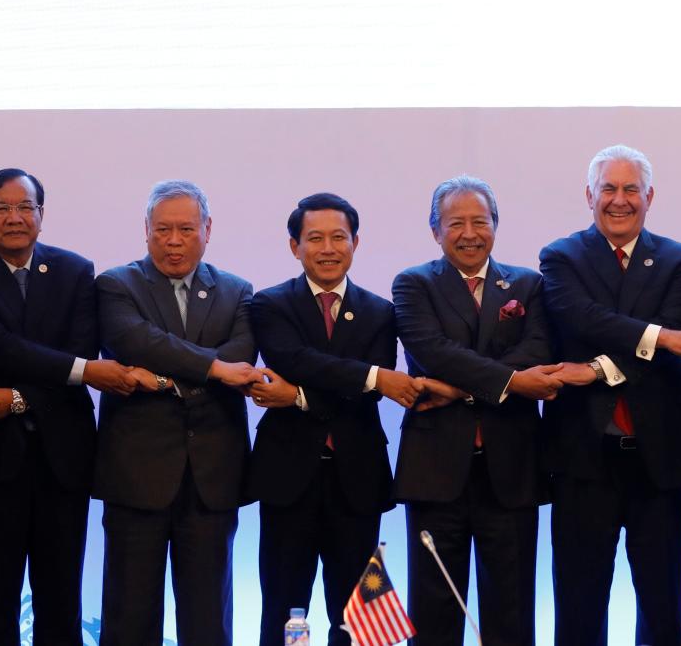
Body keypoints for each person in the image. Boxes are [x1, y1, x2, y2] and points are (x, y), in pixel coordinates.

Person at [0, 168, 138, 646]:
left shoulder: (75, 269)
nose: (15, 217)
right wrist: (76, 370)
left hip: (62, 459)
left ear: (42, 216)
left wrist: (19, 397)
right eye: (1, 208)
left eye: (26, 207)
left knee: (62, 597)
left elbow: (81, 349)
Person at [537, 144, 681, 646]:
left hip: (661, 455)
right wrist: (659, 339)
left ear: (649, 196)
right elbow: (579, 317)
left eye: (630, 189)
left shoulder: (680, 260)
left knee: (663, 602)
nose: (619, 200)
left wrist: (595, 368)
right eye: (608, 189)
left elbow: (675, 330)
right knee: (579, 600)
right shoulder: (560, 256)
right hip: (582, 457)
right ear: (589, 195)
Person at [94, 180, 264, 646]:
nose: (173, 241)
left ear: (207, 229)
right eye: (162, 230)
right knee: (129, 617)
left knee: (209, 619)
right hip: (137, 479)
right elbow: (133, 342)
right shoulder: (116, 284)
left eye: (186, 229)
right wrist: (214, 369)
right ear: (145, 230)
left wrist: (164, 378)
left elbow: (242, 354)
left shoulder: (237, 290)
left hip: (211, 478)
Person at [392, 176, 559, 646]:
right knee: (434, 605)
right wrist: (510, 382)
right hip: (436, 470)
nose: (469, 233)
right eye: (456, 223)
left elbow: (539, 351)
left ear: (496, 226)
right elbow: (432, 353)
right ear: (435, 231)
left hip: (511, 467)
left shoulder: (527, 285)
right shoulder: (413, 284)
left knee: (511, 605)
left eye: (479, 221)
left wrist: (463, 391)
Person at [247, 193, 414, 646]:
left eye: (338, 237)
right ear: (294, 246)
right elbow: (294, 358)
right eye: (314, 238)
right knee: (283, 607)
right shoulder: (270, 304)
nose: (327, 248)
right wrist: (372, 378)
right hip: (287, 479)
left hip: (356, 479)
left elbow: (363, 395)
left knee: (360, 617)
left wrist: (296, 395)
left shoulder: (381, 311)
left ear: (355, 243)